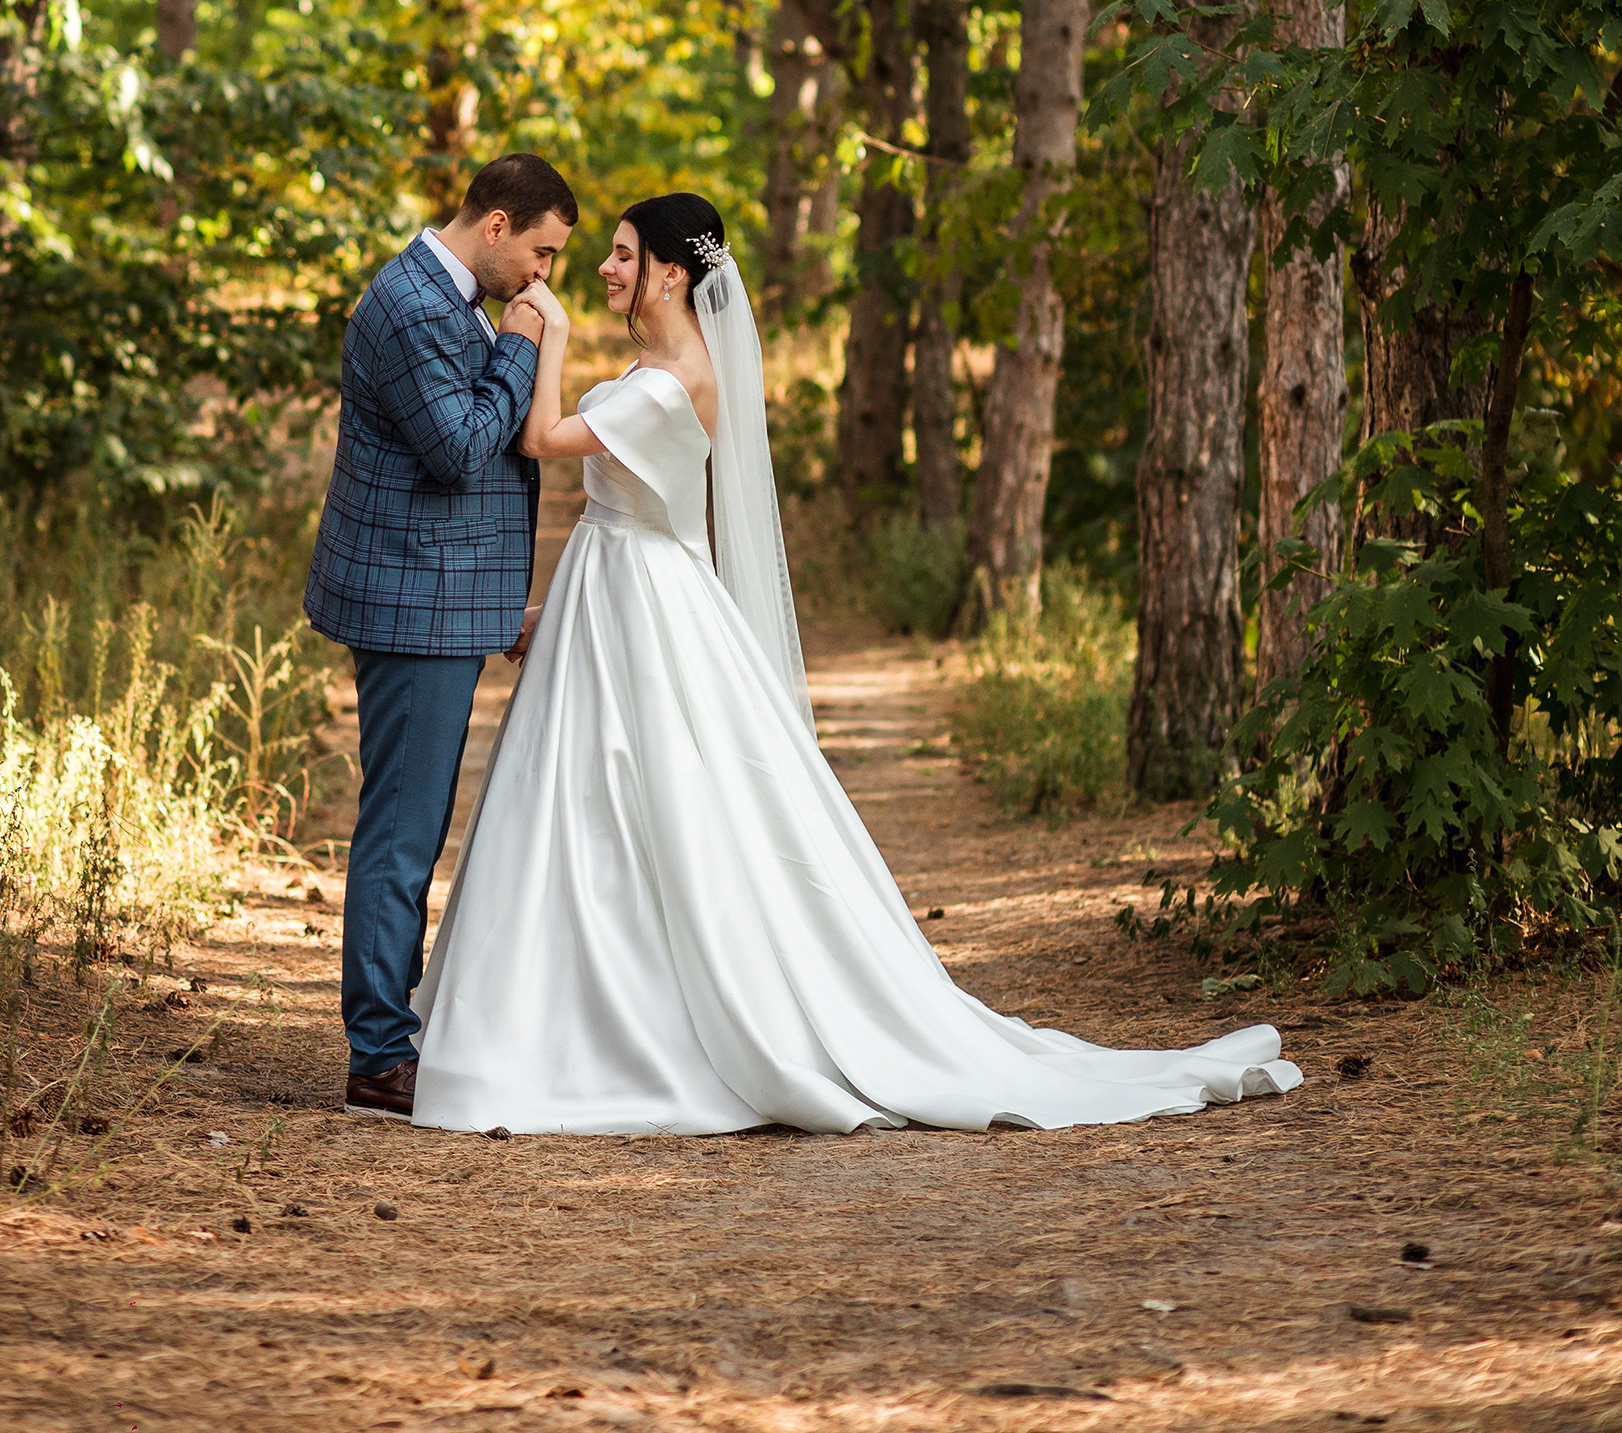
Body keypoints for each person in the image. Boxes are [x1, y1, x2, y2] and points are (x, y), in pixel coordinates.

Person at [410, 191, 1303, 1137]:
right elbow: (646, 512)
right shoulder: (655, 369)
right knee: (591, 806)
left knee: (652, 802)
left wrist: (539, 338)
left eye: (625, 254)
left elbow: (541, 440)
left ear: (673, 271)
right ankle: (577, 1010)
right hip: (616, 590)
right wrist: (563, 602)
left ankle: (631, 1029)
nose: (604, 269)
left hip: (642, 603)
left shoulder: (677, 381)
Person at [304, 151, 577, 1118]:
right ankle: (379, 1056)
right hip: (410, 606)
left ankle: (392, 1035)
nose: (544, 277)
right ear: (496, 226)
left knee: (412, 826)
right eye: (541, 253)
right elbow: (461, 448)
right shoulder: (415, 303)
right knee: (402, 831)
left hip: (440, 597)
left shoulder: (450, 294)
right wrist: (523, 348)